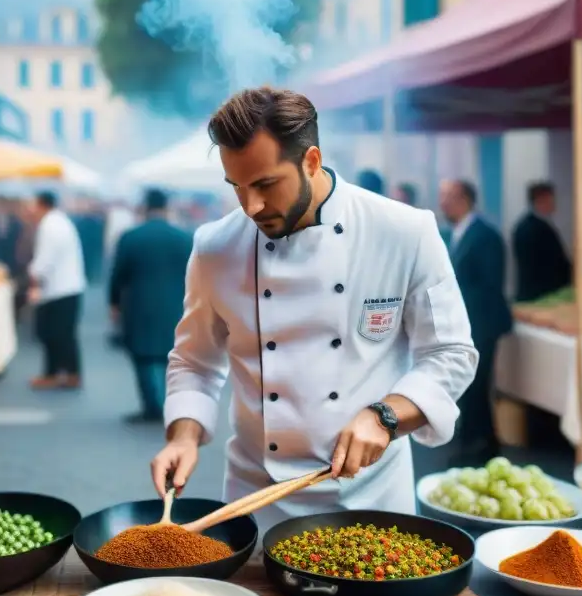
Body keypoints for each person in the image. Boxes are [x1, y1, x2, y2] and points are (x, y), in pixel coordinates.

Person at [149, 87, 478, 535]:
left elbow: (451, 354)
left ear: (312, 161)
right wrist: (183, 436)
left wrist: (385, 415)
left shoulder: (404, 232)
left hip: (372, 494)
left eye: (265, 184)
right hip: (256, 497)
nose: (251, 207)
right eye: (237, 188)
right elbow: (194, 361)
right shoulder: (215, 248)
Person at [439, 179, 513, 465]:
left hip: (482, 322)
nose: (443, 202)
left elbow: (489, 286)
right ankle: (477, 442)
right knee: (470, 386)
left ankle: (478, 446)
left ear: (465, 199)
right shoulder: (454, 233)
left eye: (448, 196)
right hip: (466, 323)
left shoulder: (485, 235)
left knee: (478, 384)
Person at [109, 189, 193, 424]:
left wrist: (114, 302)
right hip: (176, 304)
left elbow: (118, 274)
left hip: (139, 305)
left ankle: (152, 407)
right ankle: (173, 404)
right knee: (173, 357)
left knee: (143, 356)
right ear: (167, 208)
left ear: (145, 208)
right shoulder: (185, 237)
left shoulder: (130, 237)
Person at [28, 191, 85, 390]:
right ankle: (68, 373)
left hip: (59, 289)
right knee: (63, 334)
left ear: (41, 204)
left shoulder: (50, 224)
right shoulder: (59, 221)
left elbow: (45, 258)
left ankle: (58, 374)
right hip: (66, 287)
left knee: (54, 334)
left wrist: (34, 275)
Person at [512, 182, 572, 303]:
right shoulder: (535, 229)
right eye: (551, 199)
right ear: (540, 200)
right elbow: (545, 266)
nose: (554, 203)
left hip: (536, 294)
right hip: (541, 297)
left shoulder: (526, 225)